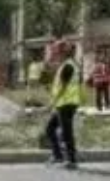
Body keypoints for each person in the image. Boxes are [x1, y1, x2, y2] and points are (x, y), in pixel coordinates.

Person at [44, 39, 83, 170]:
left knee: (67, 132)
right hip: (64, 103)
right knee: (50, 129)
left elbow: (63, 87)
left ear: (63, 52)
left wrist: (52, 103)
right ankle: (58, 155)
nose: (55, 54)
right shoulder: (66, 64)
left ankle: (71, 160)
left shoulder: (68, 66)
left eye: (57, 52)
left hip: (67, 103)